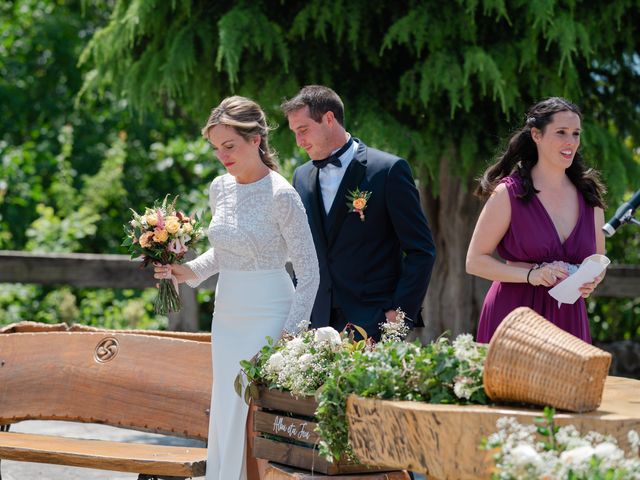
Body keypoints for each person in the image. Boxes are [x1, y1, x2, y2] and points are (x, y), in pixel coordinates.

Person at [154, 96, 319, 480]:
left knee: (258, 411)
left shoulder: (282, 195)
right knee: (227, 408)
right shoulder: (219, 188)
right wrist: (186, 271)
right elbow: (223, 253)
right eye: (216, 148)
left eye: (229, 146)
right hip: (227, 313)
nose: (222, 156)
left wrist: (291, 334)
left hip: (270, 312)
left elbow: (309, 272)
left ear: (257, 139)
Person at [281, 85, 436, 339]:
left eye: (303, 130)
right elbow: (303, 252)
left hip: (373, 319)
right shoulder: (301, 176)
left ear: (329, 119)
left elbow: (422, 250)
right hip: (315, 324)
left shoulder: (387, 171)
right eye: (295, 133)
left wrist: (398, 316)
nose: (299, 141)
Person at [466, 97, 606, 344]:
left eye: (576, 134)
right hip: (514, 316)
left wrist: (590, 282)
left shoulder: (589, 197)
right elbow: (474, 262)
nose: (570, 142)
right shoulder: (509, 193)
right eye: (561, 132)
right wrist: (532, 275)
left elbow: (597, 262)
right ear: (536, 135)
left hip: (569, 320)